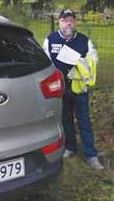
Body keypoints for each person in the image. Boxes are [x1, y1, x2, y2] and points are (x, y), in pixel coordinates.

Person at [43, 9, 104, 170]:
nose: (68, 23)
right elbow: (46, 63)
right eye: (64, 20)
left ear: (75, 22)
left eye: (71, 20)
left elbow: (94, 61)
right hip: (60, 89)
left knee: (84, 121)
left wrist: (78, 62)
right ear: (59, 22)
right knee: (65, 120)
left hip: (79, 89)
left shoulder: (84, 40)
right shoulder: (51, 40)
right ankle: (70, 148)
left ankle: (91, 155)